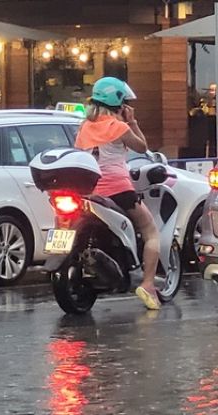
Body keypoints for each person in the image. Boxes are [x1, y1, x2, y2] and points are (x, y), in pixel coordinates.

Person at [74, 77, 162, 310]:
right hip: (119, 189)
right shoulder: (118, 127)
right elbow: (142, 147)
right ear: (119, 103)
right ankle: (148, 284)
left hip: (90, 191)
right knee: (151, 232)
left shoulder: (84, 127)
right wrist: (132, 122)